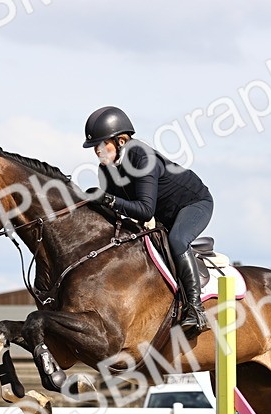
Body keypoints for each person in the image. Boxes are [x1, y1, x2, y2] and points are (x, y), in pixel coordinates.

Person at [84, 105, 214, 338]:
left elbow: (144, 211)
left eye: (102, 145)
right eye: (94, 147)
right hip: (163, 214)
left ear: (121, 140)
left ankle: (196, 309)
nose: (97, 151)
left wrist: (108, 199)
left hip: (193, 204)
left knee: (177, 240)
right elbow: (116, 214)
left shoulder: (142, 158)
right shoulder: (106, 170)